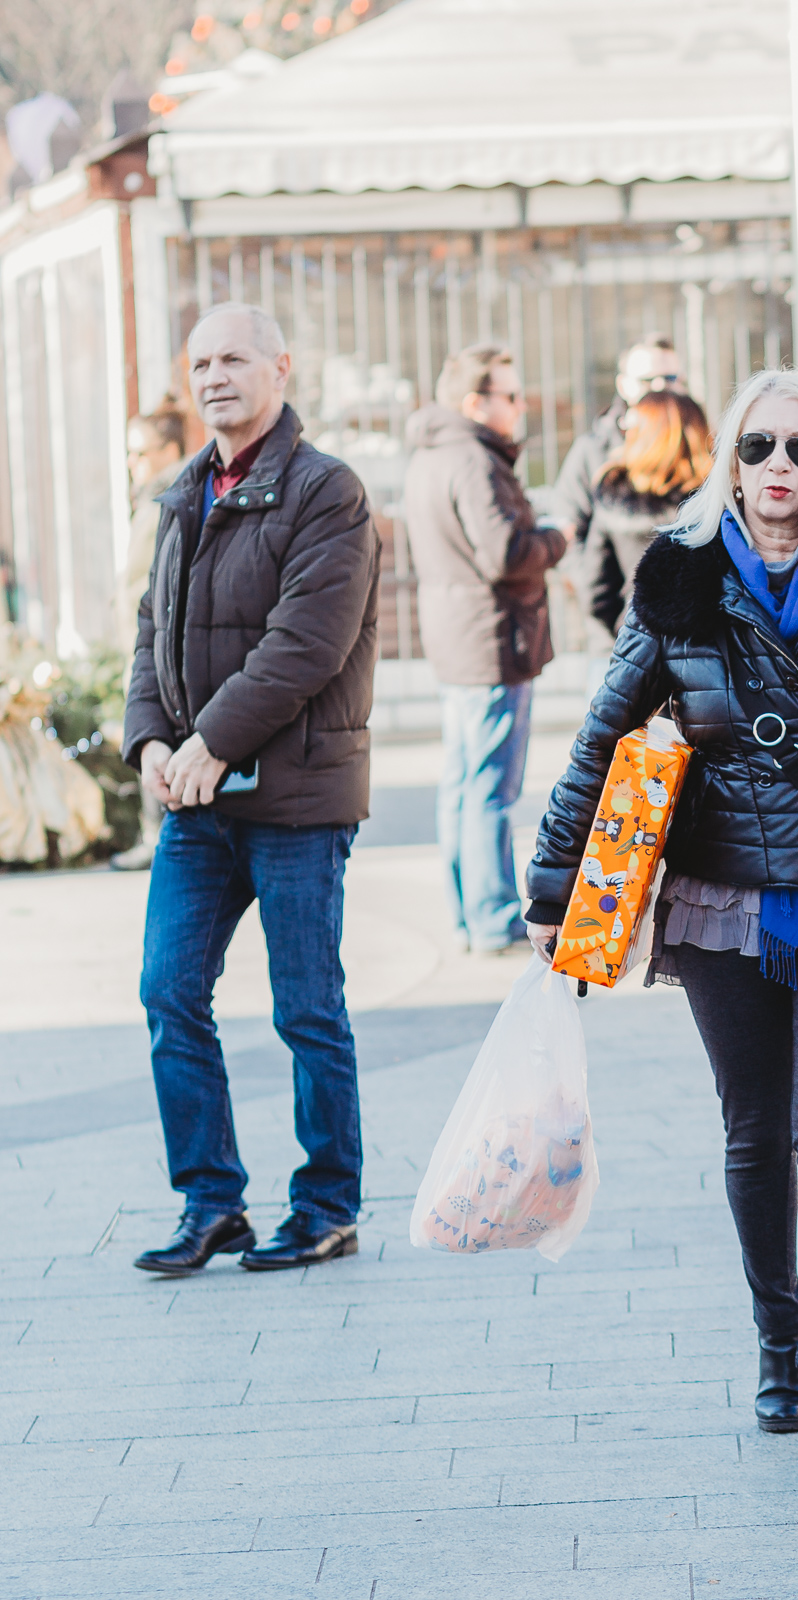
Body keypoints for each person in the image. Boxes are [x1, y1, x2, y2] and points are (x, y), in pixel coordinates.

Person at [525, 369, 798, 1478]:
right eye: (758, 447)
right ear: (731, 462)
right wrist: (550, 888)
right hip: (721, 897)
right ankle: (774, 1335)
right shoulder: (679, 577)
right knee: (754, 1133)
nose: (776, 468)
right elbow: (601, 736)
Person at [122, 301, 380, 1276]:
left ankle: (324, 1205)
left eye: (234, 357)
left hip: (297, 799)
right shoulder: (185, 491)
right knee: (167, 989)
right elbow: (153, 629)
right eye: (200, 362)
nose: (214, 376)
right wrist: (150, 737)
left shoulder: (328, 491)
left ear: (281, 366)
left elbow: (304, 644)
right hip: (199, 796)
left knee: (305, 1006)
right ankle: (210, 1200)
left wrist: (211, 742)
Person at [404, 343, 567, 954]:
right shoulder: (474, 459)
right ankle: (494, 917)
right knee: (491, 789)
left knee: (463, 784)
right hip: (489, 640)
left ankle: (467, 917)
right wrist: (556, 538)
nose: (522, 405)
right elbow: (506, 553)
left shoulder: (434, 454)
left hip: (459, 638)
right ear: (476, 402)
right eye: (511, 394)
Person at [553, 334, 686, 652]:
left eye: (669, 378)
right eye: (647, 378)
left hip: (689, 636)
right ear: (623, 385)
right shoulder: (594, 449)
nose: (659, 387)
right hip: (615, 637)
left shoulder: (699, 445)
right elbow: (569, 528)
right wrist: (600, 601)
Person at [111, 403, 189, 872]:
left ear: (170, 450)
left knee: (158, 738)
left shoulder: (174, 495)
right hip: (143, 646)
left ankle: (160, 837)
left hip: (158, 647)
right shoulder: (151, 495)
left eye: (141, 452)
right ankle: (155, 835)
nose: (132, 462)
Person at [584, 390, 711, 636]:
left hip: (636, 633)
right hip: (708, 644)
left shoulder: (612, 493)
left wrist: (624, 628)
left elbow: (596, 589)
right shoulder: (713, 501)